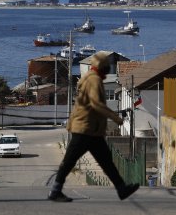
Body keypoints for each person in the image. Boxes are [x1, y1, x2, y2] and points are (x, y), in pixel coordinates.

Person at [48, 53, 139, 202]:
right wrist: (116, 117)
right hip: (84, 128)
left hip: (92, 130)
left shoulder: (91, 78)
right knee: (70, 160)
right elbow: (96, 104)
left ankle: (121, 188)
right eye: (107, 67)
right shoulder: (94, 80)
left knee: (106, 160)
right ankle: (55, 191)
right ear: (103, 68)